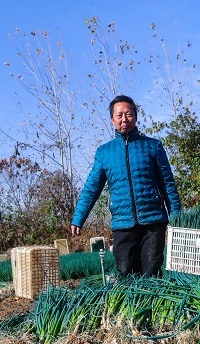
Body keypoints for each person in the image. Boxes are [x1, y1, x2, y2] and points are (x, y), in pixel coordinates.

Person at [71, 95, 181, 277]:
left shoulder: (153, 146)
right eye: (119, 115)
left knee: (151, 272)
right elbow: (92, 188)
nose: (124, 119)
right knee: (125, 271)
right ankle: (130, 305)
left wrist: (176, 215)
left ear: (136, 117)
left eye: (128, 114)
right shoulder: (105, 152)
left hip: (153, 221)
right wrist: (78, 217)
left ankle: (152, 305)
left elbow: (168, 183)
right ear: (112, 119)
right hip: (123, 223)